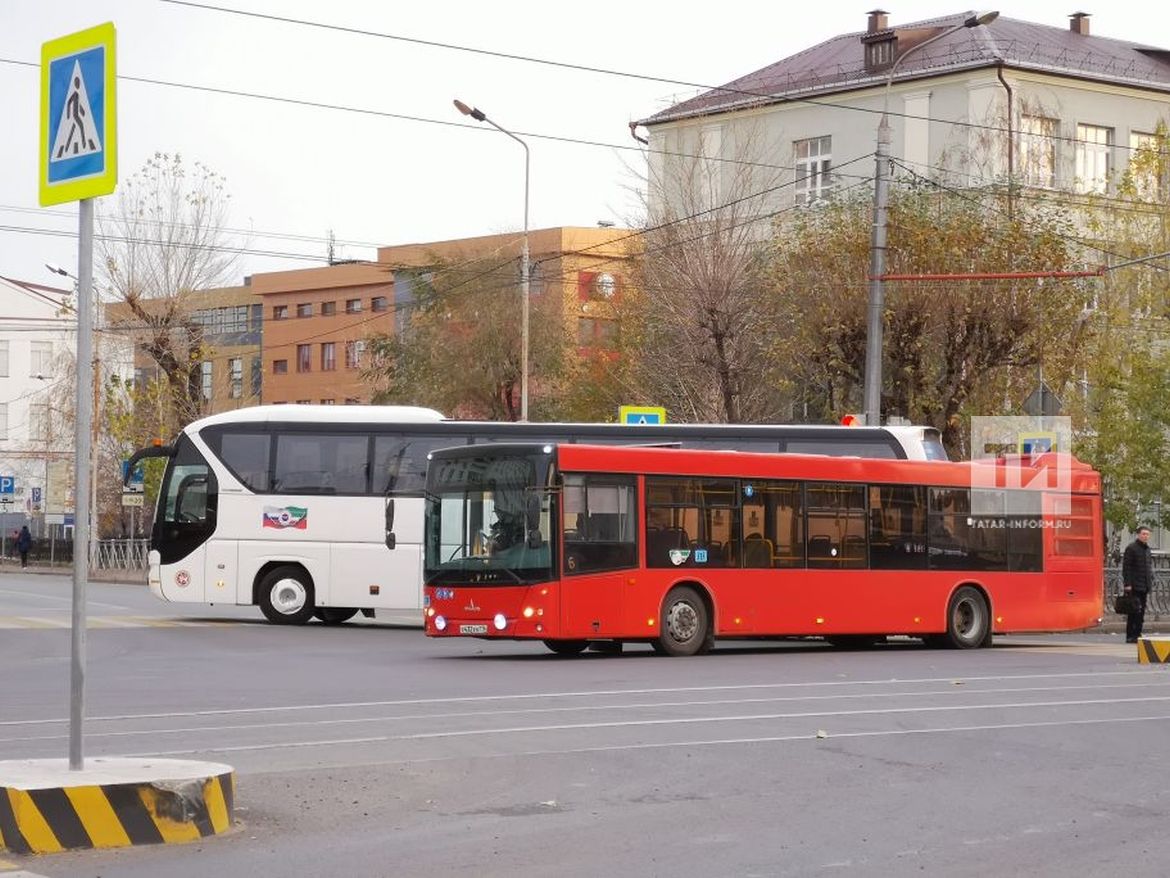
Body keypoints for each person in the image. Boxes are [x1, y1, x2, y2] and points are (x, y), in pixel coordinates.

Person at [1122, 525, 1154, 643]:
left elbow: (1148, 567)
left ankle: (1138, 633)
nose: (1145, 536)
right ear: (1138, 535)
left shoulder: (1147, 549)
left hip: (1144, 585)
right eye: (1143, 534)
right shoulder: (1131, 548)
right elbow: (1127, 567)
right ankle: (1130, 635)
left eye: (1147, 534)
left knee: (1141, 612)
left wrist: (1150, 582)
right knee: (1133, 611)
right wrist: (1128, 583)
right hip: (1134, 585)